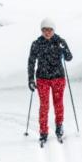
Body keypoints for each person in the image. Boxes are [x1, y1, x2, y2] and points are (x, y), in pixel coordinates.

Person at [28, 18, 73, 147]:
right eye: (45, 30)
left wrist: (64, 49)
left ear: (53, 30)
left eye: (50, 30)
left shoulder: (60, 41)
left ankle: (59, 126)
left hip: (58, 78)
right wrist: (30, 79)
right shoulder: (36, 44)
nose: (47, 32)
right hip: (42, 79)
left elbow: (69, 58)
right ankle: (43, 132)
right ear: (41, 30)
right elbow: (31, 62)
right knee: (44, 106)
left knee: (58, 104)